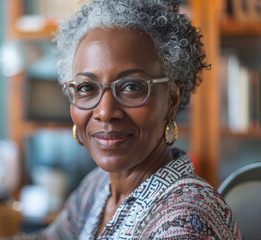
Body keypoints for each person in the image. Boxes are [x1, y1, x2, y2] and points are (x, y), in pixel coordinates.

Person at [14, 0, 242, 239]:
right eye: (86, 88)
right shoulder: (98, 187)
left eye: (131, 86)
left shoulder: (187, 220)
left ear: (172, 100)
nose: (104, 111)